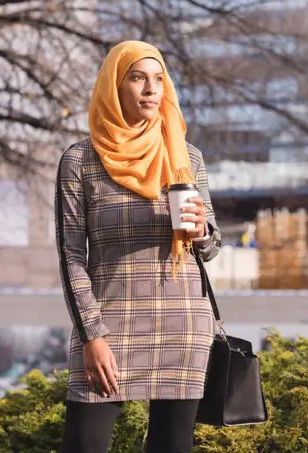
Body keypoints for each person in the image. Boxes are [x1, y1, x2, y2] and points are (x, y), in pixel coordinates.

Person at [55, 41, 221, 453]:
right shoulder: (80, 161)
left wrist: (201, 231)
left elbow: (213, 246)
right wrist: (92, 334)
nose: (151, 89)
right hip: (108, 327)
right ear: (115, 85)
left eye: (159, 79)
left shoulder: (187, 157)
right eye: (137, 78)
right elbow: (71, 256)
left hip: (182, 327)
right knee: (84, 444)